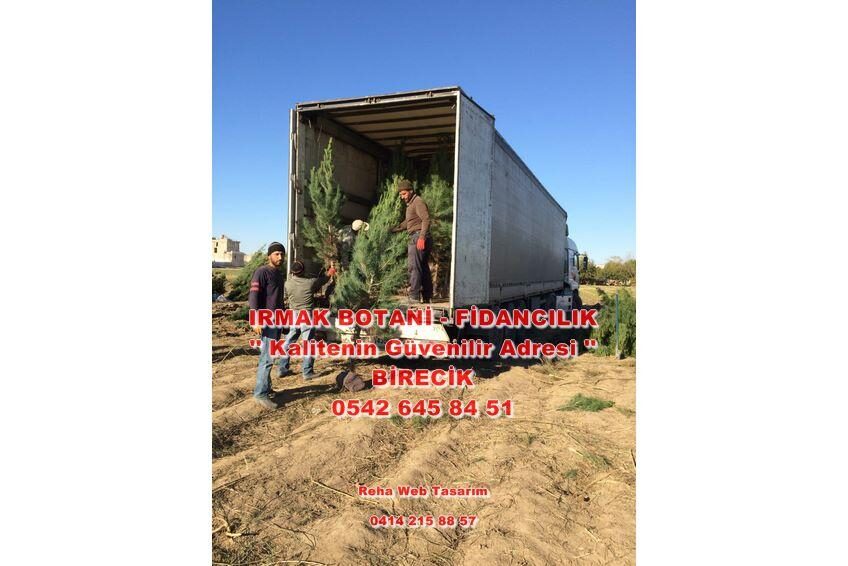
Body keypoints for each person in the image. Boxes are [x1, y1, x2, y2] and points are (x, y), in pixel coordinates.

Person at [277, 260, 336, 381]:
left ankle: (282, 368)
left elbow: (285, 296)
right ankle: (307, 372)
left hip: (294, 314)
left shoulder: (287, 284)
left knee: (289, 341)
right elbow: (323, 280)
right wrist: (330, 272)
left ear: (292, 272)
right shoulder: (310, 282)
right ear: (303, 271)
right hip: (306, 315)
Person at [249, 242, 286, 409]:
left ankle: (267, 387)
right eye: (276, 254)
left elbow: (279, 299)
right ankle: (260, 394)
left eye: (282, 254)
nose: (280, 257)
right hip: (267, 321)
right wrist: (255, 319)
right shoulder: (262, 272)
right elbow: (253, 296)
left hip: (277, 320)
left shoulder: (278, 274)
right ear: (269, 255)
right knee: (267, 358)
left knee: (270, 355)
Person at [392, 179, 432, 304]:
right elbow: (408, 222)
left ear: (411, 191)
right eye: (400, 194)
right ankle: (427, 296)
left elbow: (426, 219)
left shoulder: (418, 201)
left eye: (404, 194)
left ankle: (414, 296)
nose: (402, 197)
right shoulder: (411, 204)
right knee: (423, 267)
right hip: (419, 236)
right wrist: (394, 229)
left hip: (418, 237)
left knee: (414, 267)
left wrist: (421, 237)